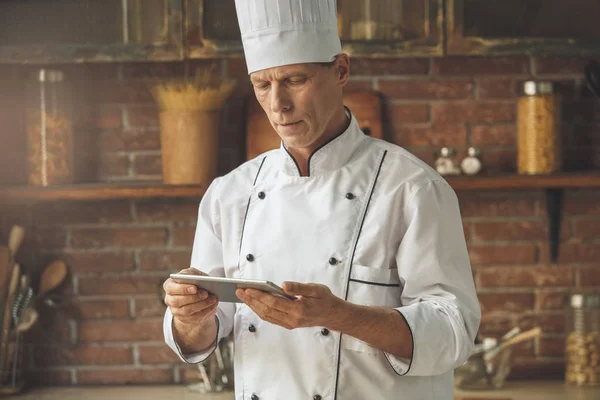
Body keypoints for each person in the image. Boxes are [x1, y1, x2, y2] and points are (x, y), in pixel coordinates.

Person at [163, 1, 481, 398]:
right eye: (263, 84)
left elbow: (454, 331)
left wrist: (340, 316)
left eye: (295, 80)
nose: (278, 104)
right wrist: (188, 316)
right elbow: (204, 335)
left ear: (341, 70)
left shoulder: (413, 188)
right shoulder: (229, 194)